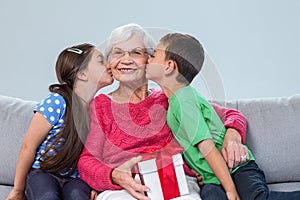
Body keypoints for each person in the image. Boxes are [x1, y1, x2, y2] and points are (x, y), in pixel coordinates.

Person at [78, 23, 250, 200]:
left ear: (151, 60)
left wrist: (233, 136)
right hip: (126, 187)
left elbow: (231, 115)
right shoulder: (100, 106)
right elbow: (87, 161)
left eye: (136, 52)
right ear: (110, 62)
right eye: (118, 53)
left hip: (175, 181)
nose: (126, 59)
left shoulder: (171, 97)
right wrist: (114, 175)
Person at [146, 32, 269, 200]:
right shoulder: (177, 100)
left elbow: (207, 147)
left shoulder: (183, 102)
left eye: (154, 55)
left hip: (236, 169)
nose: (149, 59)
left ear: (169, 66)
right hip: (213, 179)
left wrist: (231, 190)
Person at [6, 43, 113, 200]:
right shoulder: (57, 102)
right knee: (48, 196)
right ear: (82, 74)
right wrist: (18, 190)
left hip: (75, 178)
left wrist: (95, 185)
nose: (109, 65)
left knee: (78, 196)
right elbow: (28, 146)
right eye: (101, 61)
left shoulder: (98, 109)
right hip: (44, 172)